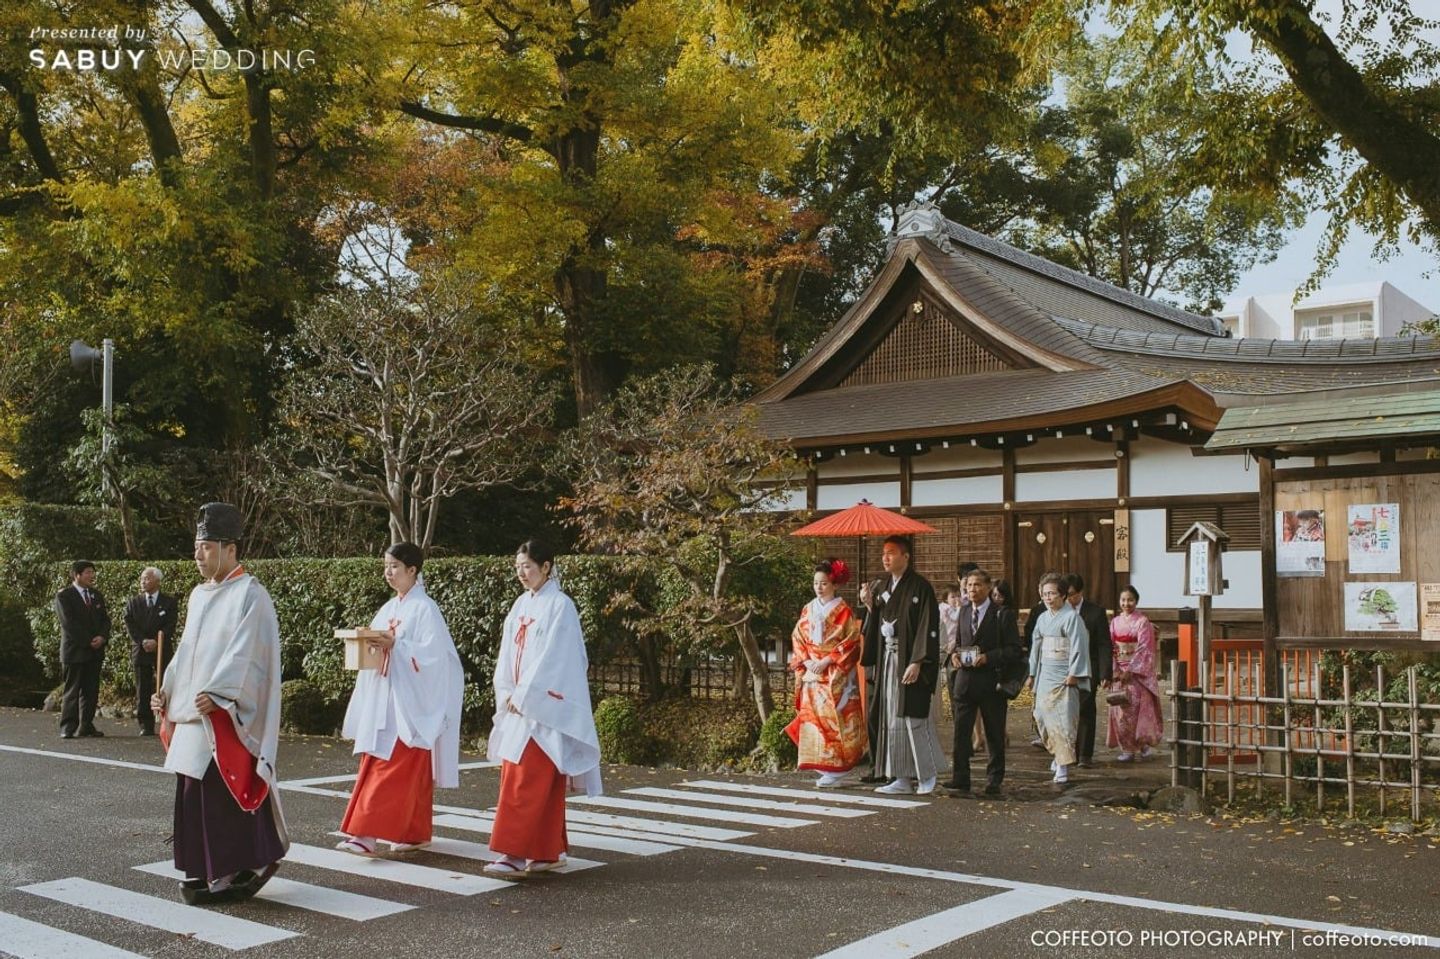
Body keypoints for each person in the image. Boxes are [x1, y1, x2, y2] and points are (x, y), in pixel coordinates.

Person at [152, 503, 287, 905]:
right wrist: (168, 691)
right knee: (194, 790)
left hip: (223, 713)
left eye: (206, 547)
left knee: (222, 791)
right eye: (197, 547)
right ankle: (208, 868)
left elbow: (252, 657)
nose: (198, 555)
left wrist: (224, 693)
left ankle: (236, 867)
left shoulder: (252, 595)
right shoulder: (198, 594)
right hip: (196, 710)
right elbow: (186, 653)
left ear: (230, 549)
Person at [337, 543, 464, 856]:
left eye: (395, 566)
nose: (388, 572)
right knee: (408, 768)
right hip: (387, 695)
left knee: (391, 764)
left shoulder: (425, 609)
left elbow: (436, 659)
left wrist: (397, 645)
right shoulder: (390, 608)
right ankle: (413, 832)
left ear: (413, 570)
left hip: (409, 702)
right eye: (386, 566)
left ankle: (365, 833)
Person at [486, 539, 602, 878]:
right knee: (532, 778)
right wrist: (507, 690)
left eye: (528, 566)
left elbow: (560, 659)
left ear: (547, 566)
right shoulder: (520, 605)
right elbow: (507, 654)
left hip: (542, 709)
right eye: (518, 566)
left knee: (528, 778)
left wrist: (526, 696)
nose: (522, 573)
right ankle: (548, 851)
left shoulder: (561, 606)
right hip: (519, 704)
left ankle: (514, 852)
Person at [858, 535, 941, 795]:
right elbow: (877, 619)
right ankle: (900, 776)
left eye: (891, 553)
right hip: (888, 660)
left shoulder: (920, 587)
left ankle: (927, 774)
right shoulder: (882, 586)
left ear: (906, 556)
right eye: (883, 553)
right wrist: (870, 607)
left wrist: (918, 661)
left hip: (909, 661)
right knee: (890, 717)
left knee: (913, 717)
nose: (885, 557)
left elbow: (928, 626)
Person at [786, 558, 866, 787]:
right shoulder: (808, 609)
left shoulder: (844, 611)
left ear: (835, 584)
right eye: (816, 583)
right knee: (814, 719)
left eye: (823, 583)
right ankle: (823, 766)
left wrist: (828, 660)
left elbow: (851, 642)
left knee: (835, 717)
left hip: (834, 673)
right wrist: (809, 660)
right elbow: (798, 637)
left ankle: (838, 767)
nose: (819, 587)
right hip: (812, 671)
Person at [944, 568, 1021, 797]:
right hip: (965, 680)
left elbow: (1014, 650)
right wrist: (955, 655)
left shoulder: (1001, 614)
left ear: (988, 587)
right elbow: (958, 641)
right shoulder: (965, 612)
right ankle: (960, 777)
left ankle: (994, 779)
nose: (972, 590)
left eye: (977, 585)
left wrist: (989, 657)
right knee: (961, 731)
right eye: (968, 586)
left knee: (994, 733)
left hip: (991, 682)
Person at [1026, 573, 1090, 785]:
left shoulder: (1072, 617)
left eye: (1052, 593)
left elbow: (1079, 646)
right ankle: (1056, 753)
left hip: (1064, 674)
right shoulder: (1043, 618)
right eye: (1044, 594)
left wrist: (1074, 673)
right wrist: (1032, 673)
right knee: (1041, 716)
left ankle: (1062, 766)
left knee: (1062, 721)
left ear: (1063, 595)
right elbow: (1036, 646)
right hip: (1046, 672)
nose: (1048, 598)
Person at [1106, 585, 1163, 762]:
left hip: (1136, 675)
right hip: (1119, 672)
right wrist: (1114, 669)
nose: (1126, 603)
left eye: (1130, 600)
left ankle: (1143, 743)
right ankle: (1128, 749)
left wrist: (1131, 670)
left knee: (1137, 710)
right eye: (1123, 600)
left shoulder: (1142, 622)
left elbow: (1145, 648)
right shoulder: (1115, 622)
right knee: (1120, 711)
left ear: (1136, 601)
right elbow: (1110, 647)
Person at [55, 560, 110, 739]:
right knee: (72, 690)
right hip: (74, 650)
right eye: (88, 572)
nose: (92, 575)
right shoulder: (65, 596)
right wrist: (88, 641)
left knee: (91, 690)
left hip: (95, 651)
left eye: (92, 572)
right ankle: (68, 726)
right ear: (77, 575)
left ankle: (86, 725)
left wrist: (102, 637)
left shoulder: (96, 595)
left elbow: (105, 620)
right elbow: (69, 623)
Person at [1065, 573, 1112, 768]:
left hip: (1088, 667)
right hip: (1063, 667)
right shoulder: (1058, 612)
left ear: (1080, 592)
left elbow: (1103, 644)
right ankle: (1066, 751)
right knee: (1065, 710)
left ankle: (1084, 754)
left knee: (1085, 707)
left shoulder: (1095, 612)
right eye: (1065, 595)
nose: (1068, 599)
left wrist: (1105, 672)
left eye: (1071, 595)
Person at [124, 566, 178, 737]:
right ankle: (145, 724)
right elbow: (129, 623)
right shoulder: (134, 602)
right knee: (143, 687)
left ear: (157, 581)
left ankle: (167, 719)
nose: (143, 582)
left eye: (147, 578)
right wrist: (142, 641)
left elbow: (170, 625)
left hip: (162, 648)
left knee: (165, 684)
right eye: (142, 579)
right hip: (140, 650)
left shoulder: (169, 602)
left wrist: (157, 640)